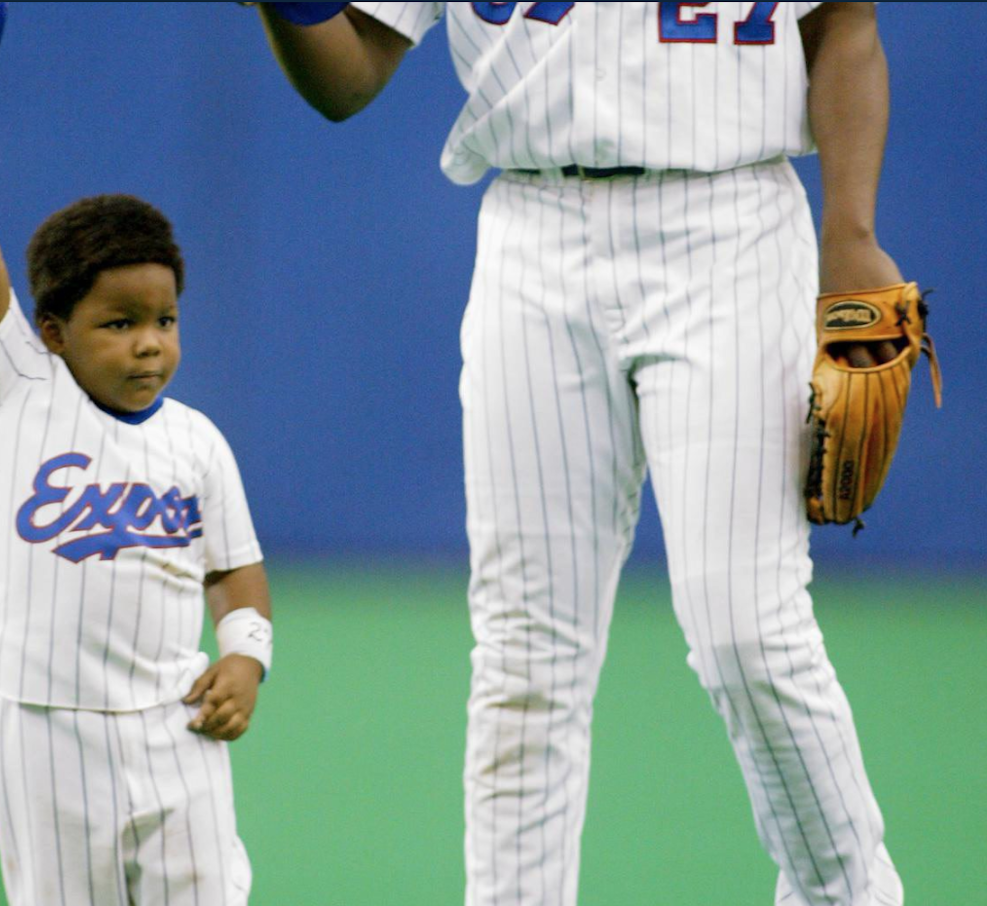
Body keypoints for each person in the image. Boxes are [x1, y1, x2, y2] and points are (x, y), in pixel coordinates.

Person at [250, 3, 906, 904]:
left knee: (747, 628)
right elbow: (350, 74)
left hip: (732, 222)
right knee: (527, 654)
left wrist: (852, 231)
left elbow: (844, 28)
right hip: (533, 227)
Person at [0, 66, 272, 906]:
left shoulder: (197, 442)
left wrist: (248, 656)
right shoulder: (16, 391)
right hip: (41, 730)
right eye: (120, 323)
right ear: (53, 333)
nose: (149, 344)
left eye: (165, 320)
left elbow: (235, 569)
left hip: (177, 724)